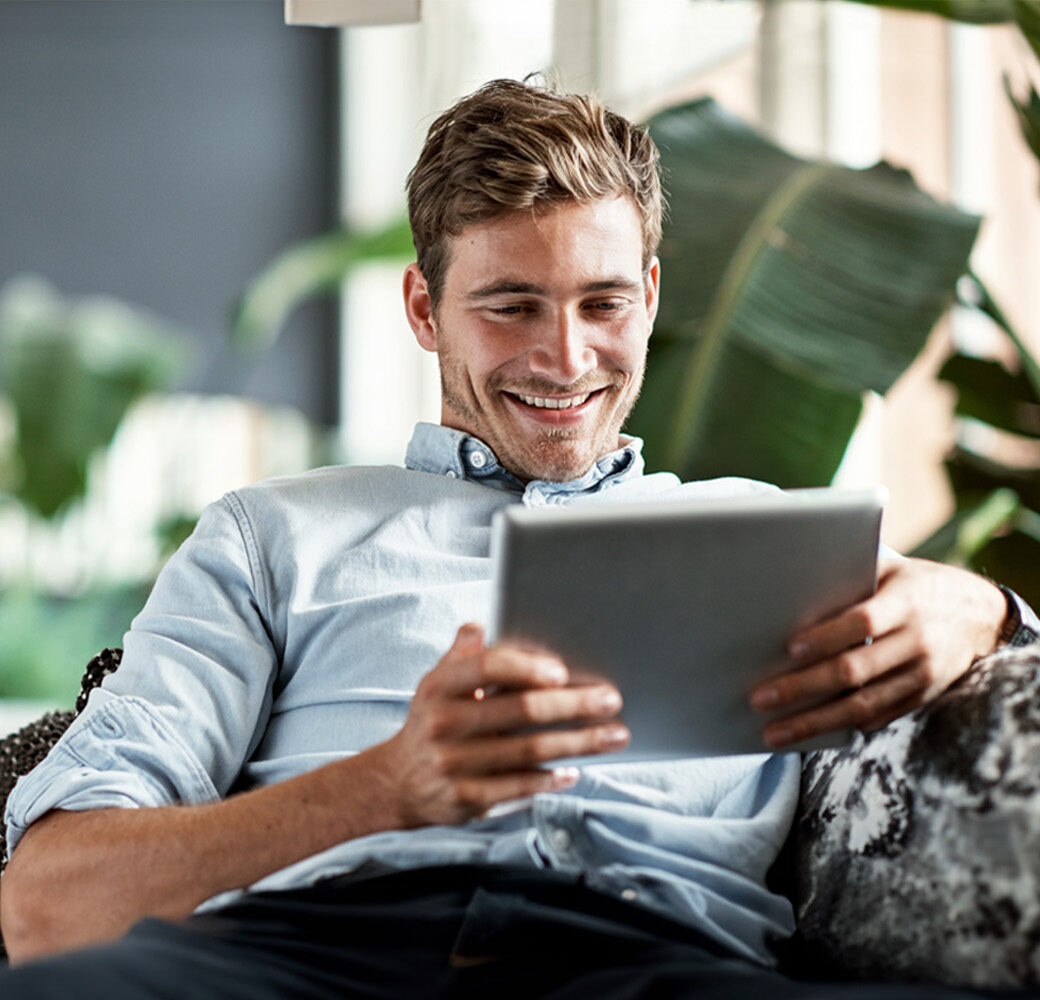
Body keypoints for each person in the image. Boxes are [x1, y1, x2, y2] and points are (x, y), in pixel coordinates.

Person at [0, 79, 1034, 999]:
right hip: (309, 954)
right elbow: (49, 906)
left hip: (661, 962)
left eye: (602, 303)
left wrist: (984, 607)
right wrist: (382, 785)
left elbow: (945, 649)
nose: (564, 356)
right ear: (423, 306)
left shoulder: (766, 532)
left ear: (651, 298)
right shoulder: (270, 536)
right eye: (509, 305)